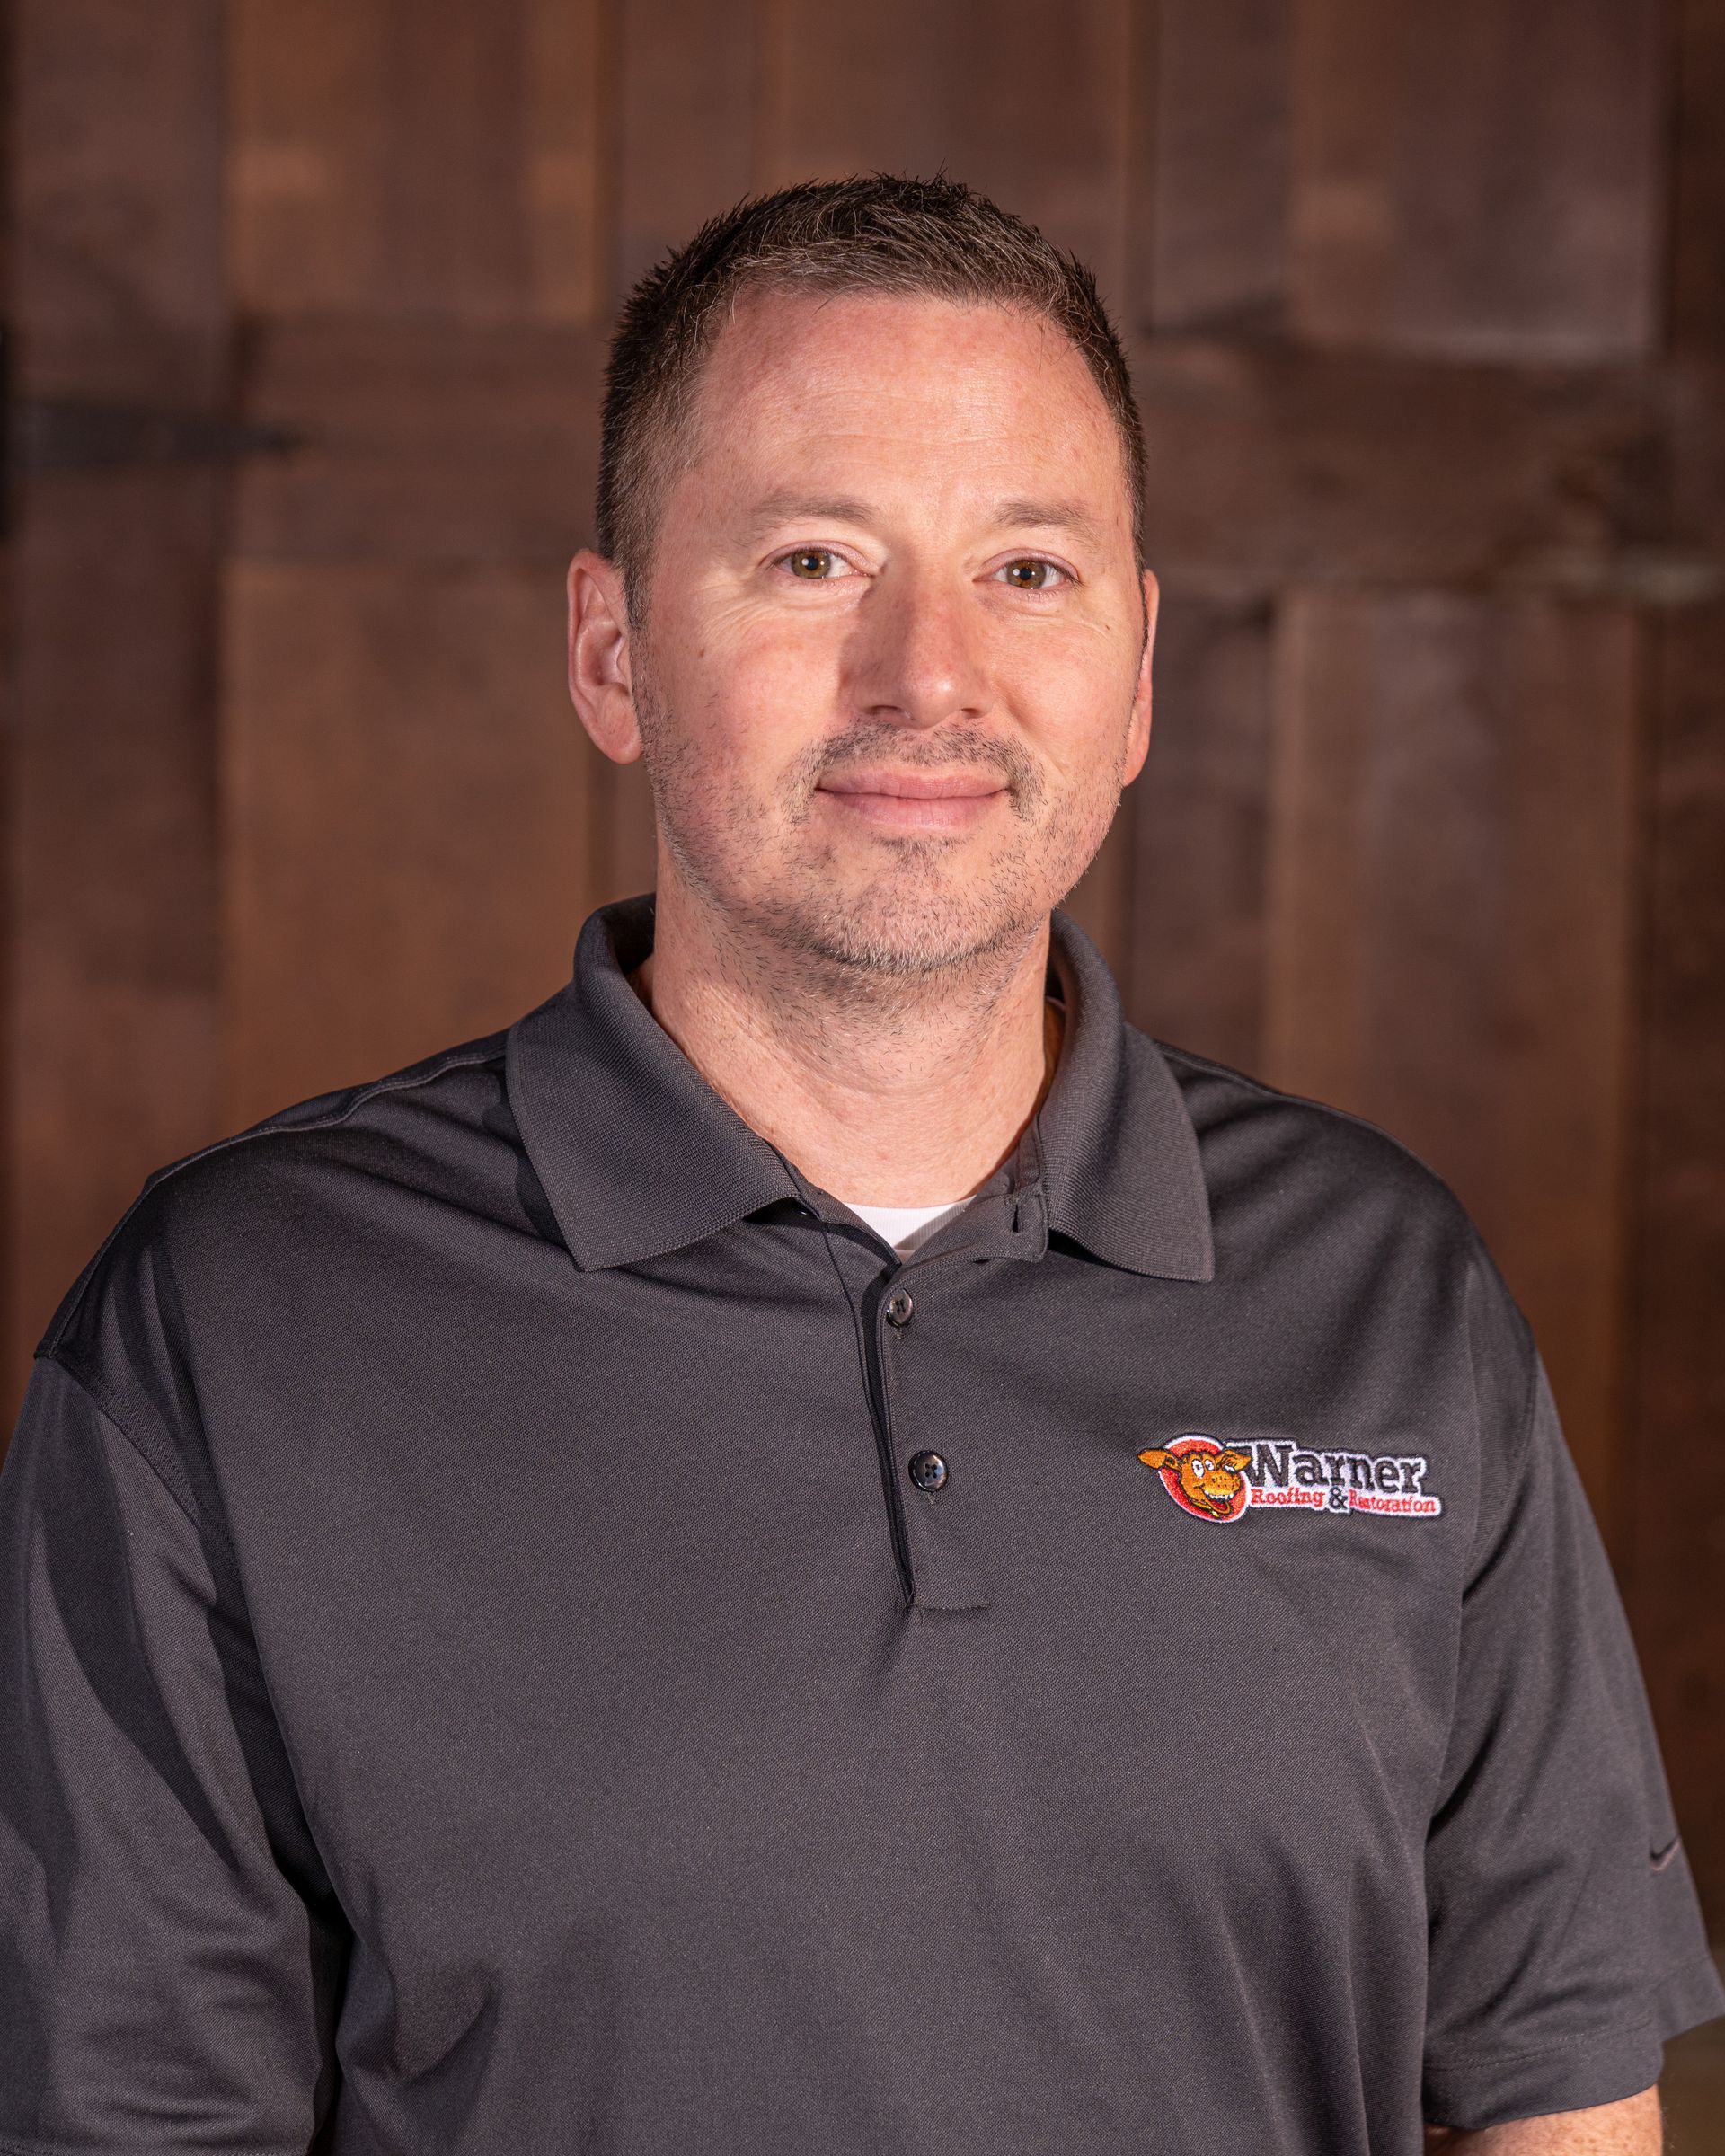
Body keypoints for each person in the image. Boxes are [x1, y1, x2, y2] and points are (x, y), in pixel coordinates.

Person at [0, 173, 1718, 2156]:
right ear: (613, 648)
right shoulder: (236, 1323)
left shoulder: (1389, 1287)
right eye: (815, 559)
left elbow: (1552, 2089)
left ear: (1141, 670)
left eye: (1030, 571)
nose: (930, 677)